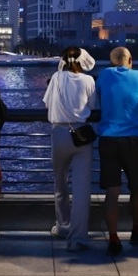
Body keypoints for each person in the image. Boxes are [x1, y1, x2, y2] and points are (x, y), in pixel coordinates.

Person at [96, 46, 138, 256]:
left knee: (112, 192)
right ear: (130, 59)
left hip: (107, 140)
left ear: (111, 61)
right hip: (132, 140)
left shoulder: (103, 75)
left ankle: (113, 239)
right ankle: (137, 230)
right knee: (137, 188)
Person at [43, 46, 97, 253]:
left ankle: (62, 226)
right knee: (82, 189)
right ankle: (78, 238)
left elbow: (48, 104)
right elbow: (92, 106)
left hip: (59, 133)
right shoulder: (89, 81)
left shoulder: (56, 77)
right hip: (82, 135)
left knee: (60, 183)